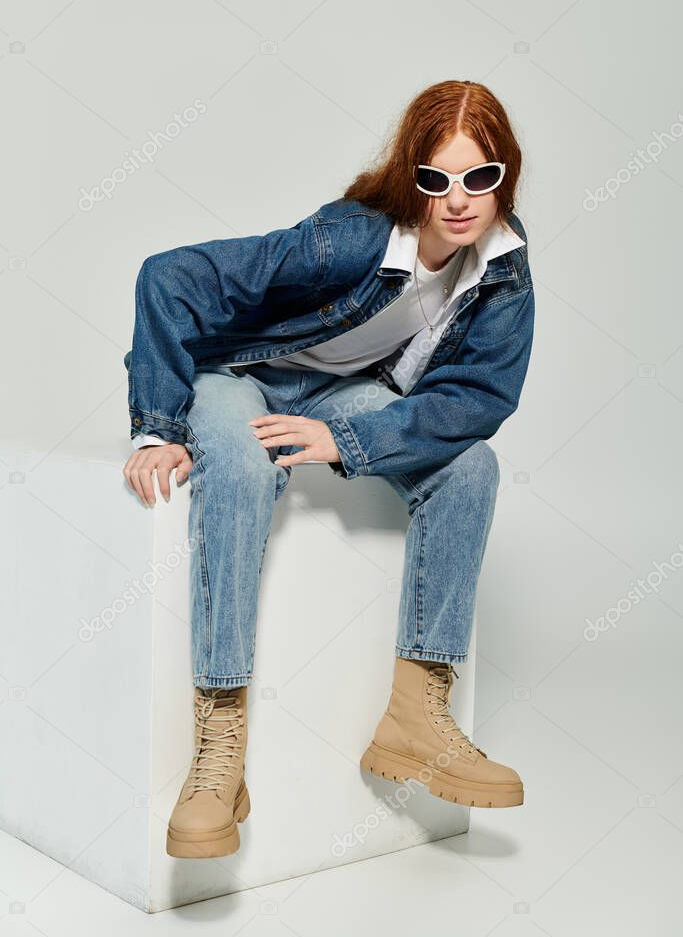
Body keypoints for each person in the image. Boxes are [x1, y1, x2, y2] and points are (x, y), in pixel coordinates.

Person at [122, 79, 535, 859]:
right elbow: (168, 275)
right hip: (247, 377)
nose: (456, 200)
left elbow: (479, 396)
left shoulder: (505, 268)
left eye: (478, 178)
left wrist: (348, 441)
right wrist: (159, 426)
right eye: (435, 178)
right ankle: (219, 748)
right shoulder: (351, 237)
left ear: (503, 176)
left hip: (346, 397)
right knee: (240, 467)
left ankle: (417, 716)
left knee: (471, 467)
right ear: (410, 175)